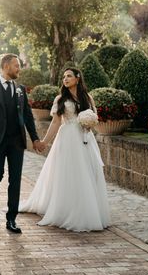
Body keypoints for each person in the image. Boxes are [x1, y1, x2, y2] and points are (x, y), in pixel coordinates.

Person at [19, 67, 110, 232]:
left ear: (77, 78)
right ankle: (66, 209)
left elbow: (94, 118)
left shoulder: (88, 98)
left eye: (69, 76)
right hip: (67, 138)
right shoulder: (60, 99)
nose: (65, 79)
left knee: (87, 172)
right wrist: (45, 142)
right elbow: (55, 122)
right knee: (67, 173)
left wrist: (89, 124)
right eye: (63, 77)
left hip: (85, 139)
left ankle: (87, 210)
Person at [0, 54, 46, 234]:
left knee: (15, 180)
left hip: (17, 142)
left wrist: (35, 138)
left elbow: (28, 116)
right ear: (6, 66)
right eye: (16, 66)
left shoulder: (21, 89)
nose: (19, 69)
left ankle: (11, 219)